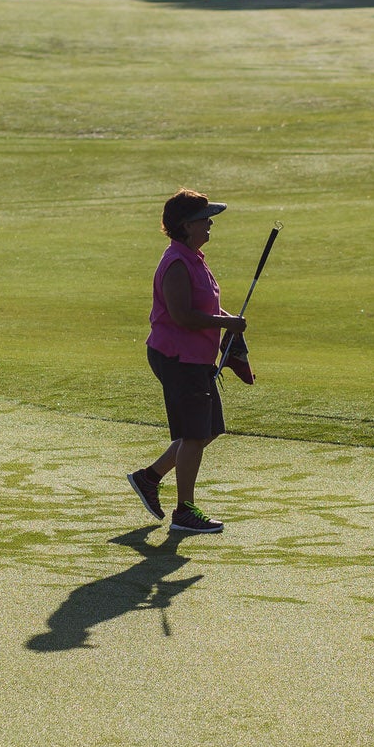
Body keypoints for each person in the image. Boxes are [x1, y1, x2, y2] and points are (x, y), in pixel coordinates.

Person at [124, 189, 253, 535]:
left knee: (206, 430)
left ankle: (148, 478)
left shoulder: (195, 257)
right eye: (203, 219)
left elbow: (204, 309)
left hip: (194, 358)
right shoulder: (177, 263)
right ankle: (184, 511)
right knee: (194, 434)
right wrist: (227, 324)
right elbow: (182, 316)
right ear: (185, 225)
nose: (210, 223)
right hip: (177, 357)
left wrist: (227, 320)